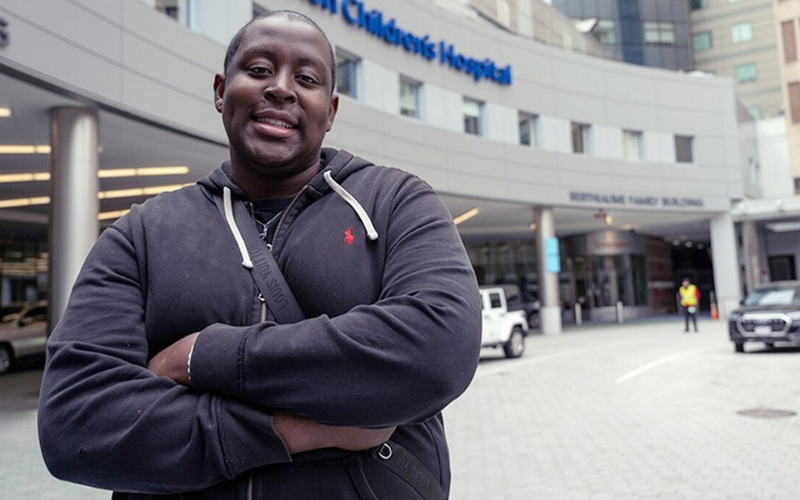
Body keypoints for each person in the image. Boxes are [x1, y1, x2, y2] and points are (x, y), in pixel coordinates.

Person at [38, 10, 482, 499]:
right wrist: (295, 431)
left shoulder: (396, 201)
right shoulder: (141, 233)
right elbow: (75, 422)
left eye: (306, 78)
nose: (282, 88)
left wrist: (200, 356)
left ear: (330, 111)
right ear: (219, 90)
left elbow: (438, 348)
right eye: (259, 70)